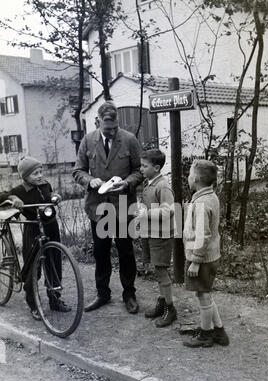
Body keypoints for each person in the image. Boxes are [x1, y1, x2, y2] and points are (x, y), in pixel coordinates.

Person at [73, 101, 143, 314]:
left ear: (118, 123)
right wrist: (89, 181)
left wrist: (128, 182)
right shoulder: (88, 140)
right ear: (98, 122)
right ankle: (102, 293)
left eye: (114, 128)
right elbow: (78, 171)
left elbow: (139, 171)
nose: (111, 132)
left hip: (122, 206)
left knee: (125, 251)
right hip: (99, 207)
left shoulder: (129, 140)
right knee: (101, 253)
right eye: (107, 128)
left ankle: (129, 294)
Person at [0, 156, 70, 320]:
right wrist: (13, 199)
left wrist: (55, 196)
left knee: (54, 263)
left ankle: (55, 299)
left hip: (51, 228)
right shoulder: (19, 190)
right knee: (33, 267)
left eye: (40, 172)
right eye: (35, 174)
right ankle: (33, 303)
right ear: (25, 177)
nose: (39, 176)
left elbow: (50, 194)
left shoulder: (45, 185)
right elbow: (3, 196)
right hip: (33, 230)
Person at [182, 159, 229, 348]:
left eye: (189, 174)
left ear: (195, 179)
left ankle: (206, 335)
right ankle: (219, 332)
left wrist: (195, 261)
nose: (188, 177)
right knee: (206, 293)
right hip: (210, 256)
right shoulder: (210, 196)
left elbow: (203, 235)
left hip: (202, 258)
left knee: (203, 296)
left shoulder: (201, 203)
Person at [137, 149, 177, 327]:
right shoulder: (150, 182)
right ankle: (162, 302)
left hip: (161, 235)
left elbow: (168, 210)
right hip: (151, 233)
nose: (141, 168)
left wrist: (146, 213)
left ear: (156, 167)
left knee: (161, 271)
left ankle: (170, 308)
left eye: (144, 166)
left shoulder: (163, 186)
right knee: (157, 270)